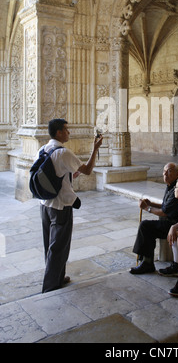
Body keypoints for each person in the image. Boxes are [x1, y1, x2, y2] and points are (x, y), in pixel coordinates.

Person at [39, 118, 103, 293]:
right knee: (59, 246)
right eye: (66, 130)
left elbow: (53, 174)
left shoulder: (44, 148)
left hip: (45, 204)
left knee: (50, 244)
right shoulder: (63, 152)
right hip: (61, 205)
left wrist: (69, 176)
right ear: (59, 132)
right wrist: (95, 148)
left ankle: (58, 276)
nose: (69, 132)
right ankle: (51, 285)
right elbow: (88, 170)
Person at [129, 162, 178, 275]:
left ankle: (147, 263)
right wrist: (152, 204)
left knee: (146, 226)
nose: (165, 173)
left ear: (177, 173)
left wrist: (147, 208)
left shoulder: (176, 188)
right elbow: (165, 205)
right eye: (164, 171)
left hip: (174, 225)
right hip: (168, 222)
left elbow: (164, 212)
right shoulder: (170, 186)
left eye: (169, 171)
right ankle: (146, 261)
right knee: (147, 227)